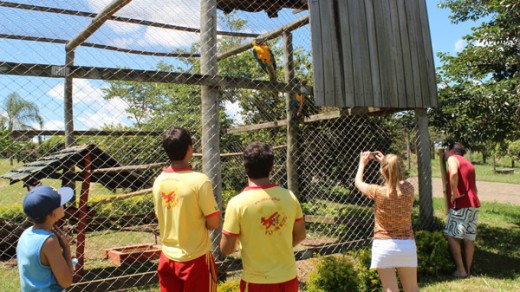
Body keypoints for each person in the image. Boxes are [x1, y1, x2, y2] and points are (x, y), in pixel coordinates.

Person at [220, 142, 306, 292]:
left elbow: (226, 249)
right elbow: (301, 234)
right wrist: (277, 245)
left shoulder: (237, 203)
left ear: (245, 167)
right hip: (288, 278)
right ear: (271, 166)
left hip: (256, 281)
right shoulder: (290, 197)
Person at [152, 127, 220, 292]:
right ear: (189, 148)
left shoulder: (158, 181)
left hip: (167, 258)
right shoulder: (199, 181)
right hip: (196, 259)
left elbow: (159, 215)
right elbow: (213, 222)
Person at [355, 151, 418, 292]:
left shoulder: (378, 192)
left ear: (382, 171)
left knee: (390, 289)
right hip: (406, 245)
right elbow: (398, 179)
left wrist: (362, 164)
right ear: (400, 169)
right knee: (412, 288)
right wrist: (387, 162)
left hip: (384, 246)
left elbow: (358, 182)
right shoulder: (409, 189)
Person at [17, 185, 75, 291]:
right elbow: (66, 282)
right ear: (53, 214)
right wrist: (66, 247)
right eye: (61, 204)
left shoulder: (26, 234)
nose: (64, 205)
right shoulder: (49, 241)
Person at [443, 142, 480, 278]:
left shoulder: (453, 159)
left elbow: (453, 173)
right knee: (469, 238)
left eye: (446, 150)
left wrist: (453, 193)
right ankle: (468, 270)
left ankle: (460, 270)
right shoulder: (468, 163)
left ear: (451, 150)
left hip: (461, 203)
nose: (445, 153)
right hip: (473, 204)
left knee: (451, 235)